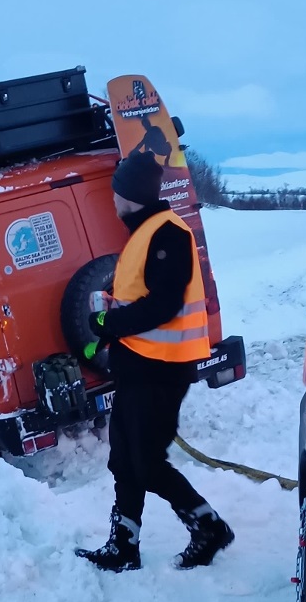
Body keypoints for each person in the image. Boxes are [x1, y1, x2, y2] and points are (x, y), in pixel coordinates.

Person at [74, 150, 234, 572]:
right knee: (124, 458)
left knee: (145, 461)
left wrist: (110, 319)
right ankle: (124, 545)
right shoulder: (145, 233)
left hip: (162, 370)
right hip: (137, 365)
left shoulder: (168, 233)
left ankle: (209, 527)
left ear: (128, 195)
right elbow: (144, 299)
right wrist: (113, 315)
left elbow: (163, 305)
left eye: (115, 193)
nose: (112, 200)